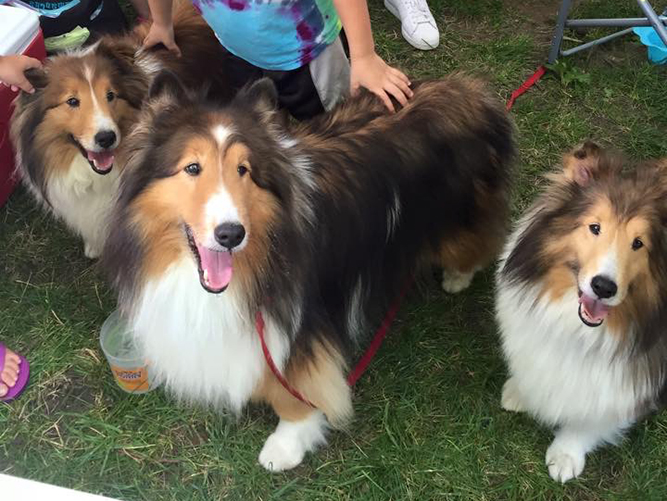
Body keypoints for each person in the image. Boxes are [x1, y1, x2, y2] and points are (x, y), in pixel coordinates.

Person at [144, 0, 413, 117]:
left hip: (309, 54)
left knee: (333, 119)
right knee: (262, 117)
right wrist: (161, 22)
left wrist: (363, 56)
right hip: (235, 49)